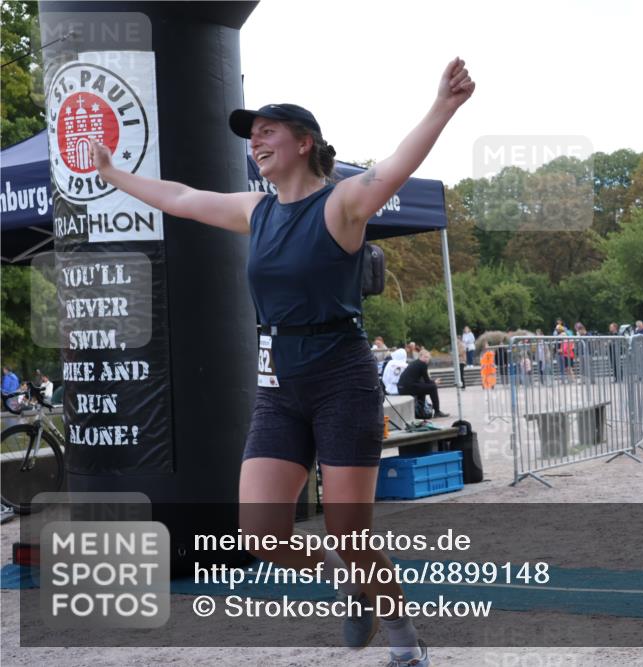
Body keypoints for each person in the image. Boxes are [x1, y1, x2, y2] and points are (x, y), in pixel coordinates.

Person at [91, 57, 474, 665]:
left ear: (305, 142)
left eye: (268, 130)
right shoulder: (256, 210)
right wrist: (113, 172)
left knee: (350, 533)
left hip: (343, 380)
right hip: (279, 388)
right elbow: (183, 198)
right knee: (262, 535)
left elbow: (400, 162)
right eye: (252, 133)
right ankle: (351, 584)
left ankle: (405, 643)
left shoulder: (344, 203)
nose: (255, 139)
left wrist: (443, 106)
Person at [398, 349, 449, 419]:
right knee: (433, 387)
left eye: (428, 357)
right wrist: (434, 382)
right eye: (425, 357)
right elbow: (427, 380)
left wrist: (431, 382)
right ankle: (437, 412)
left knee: (423, 388)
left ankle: (421, 412)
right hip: (408, 387)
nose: (426, 359)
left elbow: (422, 381)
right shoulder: (422, 364)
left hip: (403, 388)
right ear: (420, 356)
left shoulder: (415, 363)